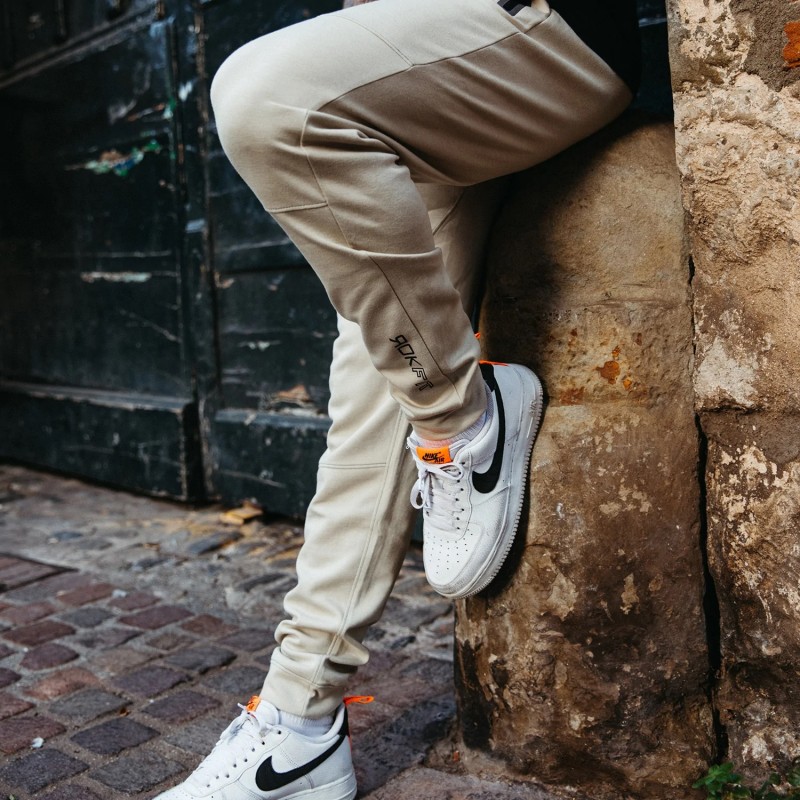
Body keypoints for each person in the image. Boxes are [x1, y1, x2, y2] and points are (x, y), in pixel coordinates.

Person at [153, 0, 640, 797]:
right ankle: (298, 727)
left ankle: (466, 423)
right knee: (374, 377)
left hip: (541, 28)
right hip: (416, 68)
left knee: (268, 98)